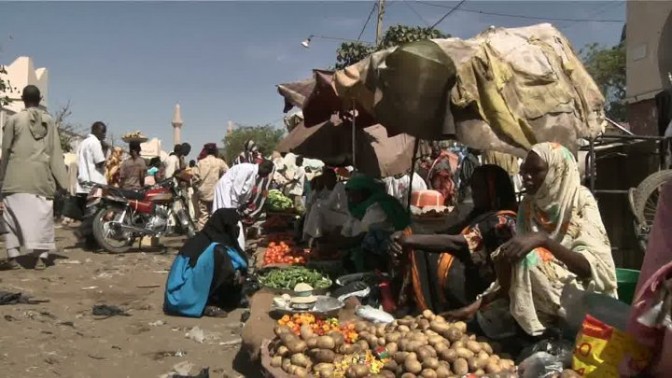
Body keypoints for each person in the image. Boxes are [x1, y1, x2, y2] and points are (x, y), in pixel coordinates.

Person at [448, 143, 617, 339]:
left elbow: (590, 268)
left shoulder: (580, 200)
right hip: (544, 289)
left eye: (535, 171)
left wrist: (544, 241)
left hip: (581, 294)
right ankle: (531, 328)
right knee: (509, 255)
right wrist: (476, 305)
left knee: (531, 257)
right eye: (524, 171)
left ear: (557, 170)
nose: (526, 178)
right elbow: (514, 269)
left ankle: (541, 332)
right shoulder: (530, 205)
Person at [396, 165, 518, 313]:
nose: (474, 193)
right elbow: (448, 232)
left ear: (493, 190)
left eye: (478, 188)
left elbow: (459, 242)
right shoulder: (480, 214)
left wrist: (411, 240)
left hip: (484, 292)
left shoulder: (503, 220)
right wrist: (408, 234)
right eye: (473, 187)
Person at [0, 85, 68, 269]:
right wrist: (63, 183)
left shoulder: (13, 120)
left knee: (12, 219)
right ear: (40, 100)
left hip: (15, 179)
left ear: (23, 99)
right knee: (42, 219)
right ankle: (40, 257)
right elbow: (55, 154)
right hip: (41, 180)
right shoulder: (49, 121)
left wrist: (2, 177)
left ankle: (13, 257)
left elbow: (5, 151)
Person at [164, 208, 248, 318]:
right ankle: (207, 303)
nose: (236, 228)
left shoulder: (211, 239)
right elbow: (234, 262)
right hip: (182, 296)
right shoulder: (213, 247)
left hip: (181, 294)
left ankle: (213, 298)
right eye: (234, 225)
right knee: (223, 263)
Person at [323, 174, 411, 273]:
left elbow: (362, 236)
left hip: (387, 250)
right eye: (348, 196)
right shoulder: (361, 208)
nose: (350, 200)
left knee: (370, 237)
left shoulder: (378, 207)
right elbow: (347, 228)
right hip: (368, 245)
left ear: (363, 193)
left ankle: (373, 274)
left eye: (353, 195)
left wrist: (336, 245)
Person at [212, 160, 275, 250]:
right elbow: (236, 189)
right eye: (267, 173)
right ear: (264, 168)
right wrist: (233, 210)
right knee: (227, 220)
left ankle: (232, 247)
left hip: (232, 199)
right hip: (227, 194)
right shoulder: (247, 169)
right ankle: (227, 246)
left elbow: (244, 192)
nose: (266, 176)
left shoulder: (253, 173)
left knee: (231, 223)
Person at [193, 143, 229, 230]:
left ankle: (201, 237)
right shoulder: (220, 162)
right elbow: (228, 173)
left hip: (203, 193)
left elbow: (194, 178)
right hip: (215, 193)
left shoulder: (200, 162)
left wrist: (197, 188)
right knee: (215, 214)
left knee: (203, 216)